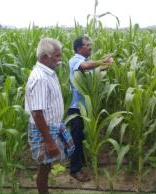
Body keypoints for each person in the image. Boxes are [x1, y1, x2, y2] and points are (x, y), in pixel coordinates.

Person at [25, 38, 74, 194]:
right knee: (44, 168)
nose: (60, 60)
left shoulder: (48, 73)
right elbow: (37, 113)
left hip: (52, 126)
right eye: (57, 56)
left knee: (47, 165)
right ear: (44, 57)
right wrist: (50, 142)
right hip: (44, 131)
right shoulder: (40, 78)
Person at [68, 36, 113, 182]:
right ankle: (75, 170)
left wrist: (107, 64)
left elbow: (96, 70)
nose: (90, 47)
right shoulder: (75, 60)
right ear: (79, 49)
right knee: (76, 138)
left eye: (90, 45)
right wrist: (101, 61)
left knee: (81, 137)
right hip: (76, 108)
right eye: (88, 45)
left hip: (85, 108)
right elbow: (85, 67)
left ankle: (81, 162)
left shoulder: (87, 62)